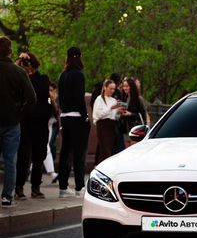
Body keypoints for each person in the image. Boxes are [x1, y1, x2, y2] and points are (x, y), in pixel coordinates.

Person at [0, 37, 36, 207]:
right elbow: (32, 98)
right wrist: (19, 114)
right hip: (12, 121)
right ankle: (7, 196)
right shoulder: (18, 72)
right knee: (10, 160)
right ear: (10, 51)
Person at [15, 52, 52, 199]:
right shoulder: (19, 78)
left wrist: (28, 74)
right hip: (25, 123)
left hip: (40, 124)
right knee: (23, 157)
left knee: (39, 157)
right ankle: (19, 187)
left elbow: (41, 93)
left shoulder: (43, 79)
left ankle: (36, 187)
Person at [57, 47, 90, 198]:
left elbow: (60, 99)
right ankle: (79, 187)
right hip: (77, 118)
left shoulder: (63, 75)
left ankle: (63, 188)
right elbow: (79, 98)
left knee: (65, 152)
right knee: (79, 153)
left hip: (64, 116)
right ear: (79, 57)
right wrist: (85, 116)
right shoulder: (79, 75)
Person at [92, 79, 124, 164]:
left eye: (114, 89)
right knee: (104, 149)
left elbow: (114, 116)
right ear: (105, 87)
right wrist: (110, 108)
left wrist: (119, 112)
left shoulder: (113, 100)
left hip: (112, 126)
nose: (112, 91)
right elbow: (98, 114)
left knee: (110, 149)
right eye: (110, 88)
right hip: (102, 125)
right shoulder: (99, 99)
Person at [120, 77, 147, 147]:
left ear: (131, 86)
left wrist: (130, 114)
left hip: (135, 129)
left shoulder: (138, 99)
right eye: (123, 86)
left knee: (133, 150)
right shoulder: (124, 98)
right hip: (125, 128)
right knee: (127, 151)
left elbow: (143, 116)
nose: (125, 88)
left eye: (127, 86)